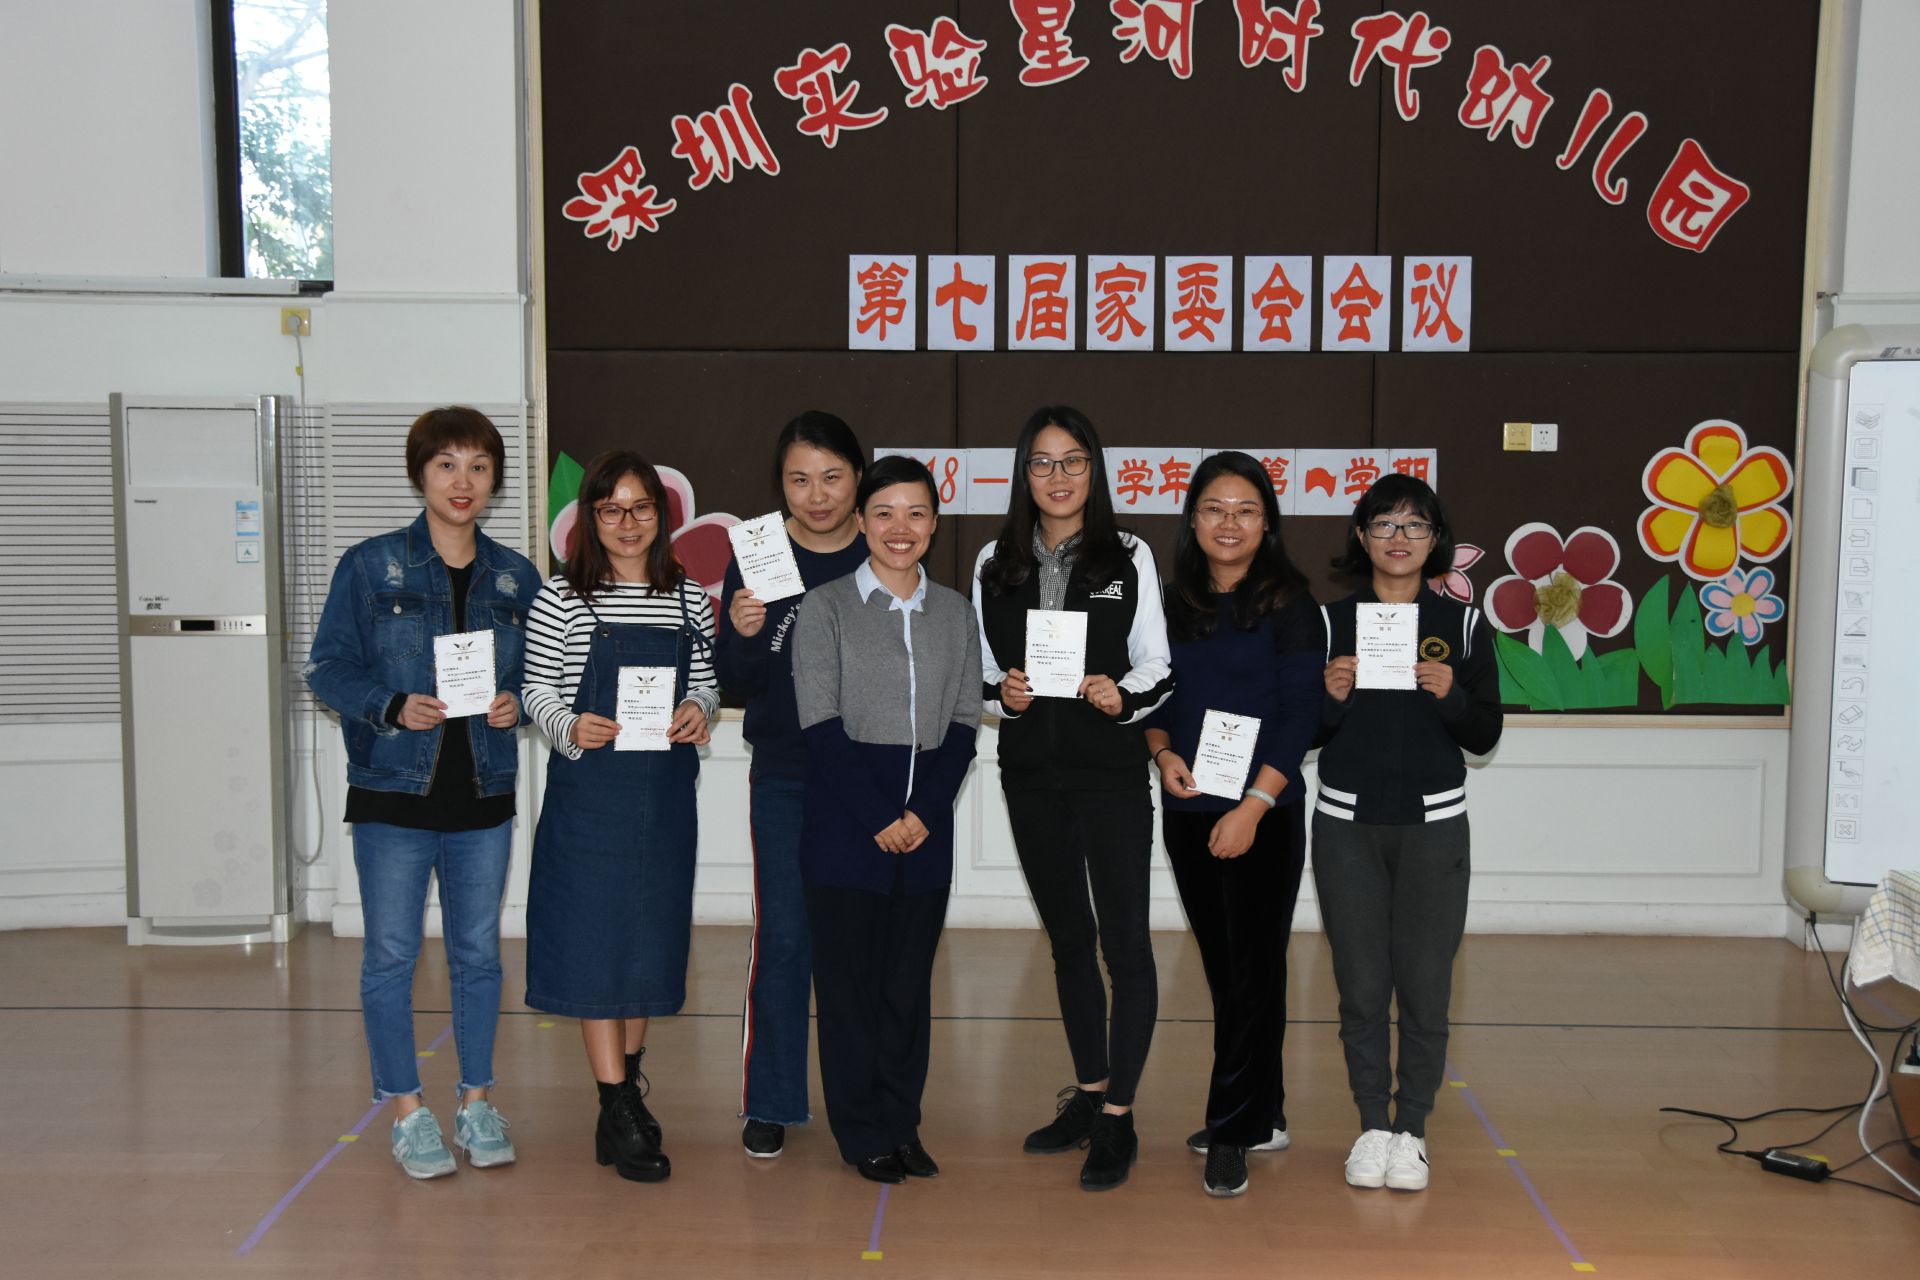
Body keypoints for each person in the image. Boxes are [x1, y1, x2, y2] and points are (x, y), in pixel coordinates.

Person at [305, 405, 538, 1180]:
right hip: (393, 794)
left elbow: (540, 677)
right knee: (391, 956)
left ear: (494, 479)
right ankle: (407, 1111)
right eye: (446, 465)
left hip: (481, 794)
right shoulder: (371, 566)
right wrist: (390, 704)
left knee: (478, 956)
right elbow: (328, 667)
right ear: (420, 475)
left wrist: (515, 703)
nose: (462, 481)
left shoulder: (516, 577)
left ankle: (476, 1102)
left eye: (478, 466)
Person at [970, 405, 1173, 1191]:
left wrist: (1121, 696)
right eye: (1043, 462)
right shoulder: (994, 560)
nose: (1058, 477)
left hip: (1111, 775)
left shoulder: (1130, 554)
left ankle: (1120, 1115)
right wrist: (1005, 693)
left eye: (1073, 461)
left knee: (1125, 944)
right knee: (1067, 940)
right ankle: (1090, 1093)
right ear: (1024, 473)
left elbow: (1157, 664)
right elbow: (982, 670)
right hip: (1031, 777)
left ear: (1095, 468)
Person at [521, 450, 718, 1184]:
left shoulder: (689, 597)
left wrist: (698, 709)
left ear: (660, 516)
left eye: (641, 508)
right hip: (592, 796)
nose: (627, 523)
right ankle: (616, 1103)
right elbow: (536, 688)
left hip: (663, 798)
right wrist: (571, 725)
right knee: (596, 950)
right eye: (611, 509)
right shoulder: (562, 598)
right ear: (590, 518)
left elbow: (707, 680)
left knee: (646, 947)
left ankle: (625, 1097)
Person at [790, 454, 981, 1184]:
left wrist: (922, 813)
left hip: (925, 835)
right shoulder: (826, 608)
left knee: (906, 990)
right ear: (862, 521)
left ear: (934, 522)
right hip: (846, 832)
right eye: (884, 513)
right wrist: (880, 817)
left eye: (916, 513)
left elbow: (963, 723)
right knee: (849, 992)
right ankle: (862, 1131)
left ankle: (902, 1123)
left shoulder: (956, 613)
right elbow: (820, 725)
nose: (901, 528)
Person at [1141, 451, 1322, 1198]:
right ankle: (1265, 1111)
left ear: (1267, 523)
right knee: (1230, 971)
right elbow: (1152, 696)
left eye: (1246, 511)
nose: (1229, 523)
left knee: (1252, 971)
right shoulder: (1168, 602)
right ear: (1193, 519)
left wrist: (1252, 806)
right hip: (1188, 806)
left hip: (1264, 812)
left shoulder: (1291, 604)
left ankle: (1231, 1130)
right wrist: (1161, 755)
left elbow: (1301, 714)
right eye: (1215, 508)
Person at [1315, 472, 1502, 1193]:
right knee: (1361, 988)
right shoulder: (1328, 623)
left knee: (1425, 988)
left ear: (1435, 540)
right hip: (1346, 827)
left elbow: (1485, 733)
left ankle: (1412, 1130)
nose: (1399, 538)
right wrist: (1329, 699)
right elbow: (1303, 730)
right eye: (1385, 524)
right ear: (1362, 536)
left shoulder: (1464, 625)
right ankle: (1371, 1124)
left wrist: (1451, 696)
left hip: (1434, 829)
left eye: (1415, 525)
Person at [716, 411, 869, 1159]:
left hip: (870, 778)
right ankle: (771, 1101)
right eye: (800, 479)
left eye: (832, 477)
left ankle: (864, 1101)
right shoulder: (757, 553)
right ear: (780, 485)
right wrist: (744, 632)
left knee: (864, 944)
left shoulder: (883, 544)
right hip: (785, 773)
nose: (818, 495)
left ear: (858, 478)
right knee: (783, 938)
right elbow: (735, 680)